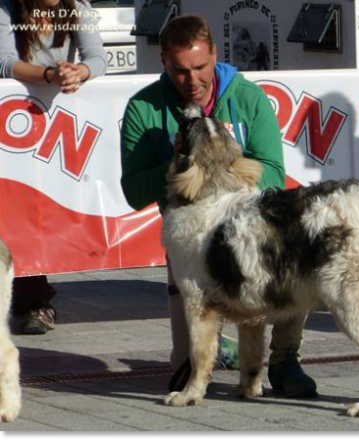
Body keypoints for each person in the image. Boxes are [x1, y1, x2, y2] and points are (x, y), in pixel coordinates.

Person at [120, 14, 317, 398]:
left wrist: (222, 170)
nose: (192, 81)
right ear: (163, 62)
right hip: (192, 242)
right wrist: (174, 166)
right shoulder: (143, 109)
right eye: (180, 71)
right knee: (186, 364)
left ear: (214, 54)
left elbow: (275, 173)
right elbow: (133, 191)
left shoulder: (248, 98)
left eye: (200, 67)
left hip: (249, 229)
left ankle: (285, 357)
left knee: (292, 253)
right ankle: (218, 351)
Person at [0, 0, 107, 333]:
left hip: (53, 126)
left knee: (37, 211)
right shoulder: (6, 9)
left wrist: (79, 73)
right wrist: (50, 75)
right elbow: (5, 63)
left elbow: (97, 58)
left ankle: (33, 302)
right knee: (15, 210)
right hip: (14, 122)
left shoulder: (78, 8)